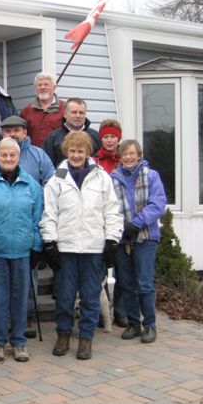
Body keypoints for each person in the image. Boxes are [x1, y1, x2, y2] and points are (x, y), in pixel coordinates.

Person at [40, 131, 122, 360]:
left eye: (81, 151)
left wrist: (112, 241)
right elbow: (49, 213)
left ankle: (86, 338)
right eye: (73, 151)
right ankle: (64, 334)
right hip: (66, 248)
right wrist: (50, 242)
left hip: (93, 248)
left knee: (90, 297)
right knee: (65, 297)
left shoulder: (102, 177)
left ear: (88, 152)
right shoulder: (57, 178)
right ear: (67, 152)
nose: (76, 155)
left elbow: (111, 211)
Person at [0, 137, 43, 364]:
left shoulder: (31, 185)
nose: (8, 158)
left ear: (18, 157)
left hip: (23, 252)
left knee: (20, 299)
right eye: (3, 155)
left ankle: (18, 341)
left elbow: (37, 218)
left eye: (12, 155)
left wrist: (36, 245)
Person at [111, 140, 166, 344]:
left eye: (132, 153)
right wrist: (122, 226)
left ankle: (149, 325)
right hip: (122, 238)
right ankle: (133, 323)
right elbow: (108, 206)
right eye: (124, 154)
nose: (128, 157)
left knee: (144, 284)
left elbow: (157, 204)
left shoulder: (151, 176)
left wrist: (136, 223)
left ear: (139, 155)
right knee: (126, 284)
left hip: (145, 237)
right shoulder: (112, 178)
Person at [92, 119, 125, 327]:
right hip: (101, 223)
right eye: (106, 136)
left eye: (113, 136)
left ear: (118, 138)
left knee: (123, 272)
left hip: (125, 223)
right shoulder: (95, 162)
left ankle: (120, 311)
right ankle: (98, 312)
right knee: (99, 272)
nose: (110, 140)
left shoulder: (126, 159)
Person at [41, 97, 101, 167]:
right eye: (74, 112)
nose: (78, 116)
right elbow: (46, 165)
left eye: (81, 113)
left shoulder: (95, 136)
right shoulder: (53, 138)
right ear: (65, 114)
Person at [19, 72, 66, 147]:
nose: (42, 87)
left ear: (54, 87)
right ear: (35, 88)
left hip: (58, 155)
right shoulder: (26, 111)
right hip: (34, 156)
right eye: (39, 85)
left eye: (46, 84)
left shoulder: (65, 109)